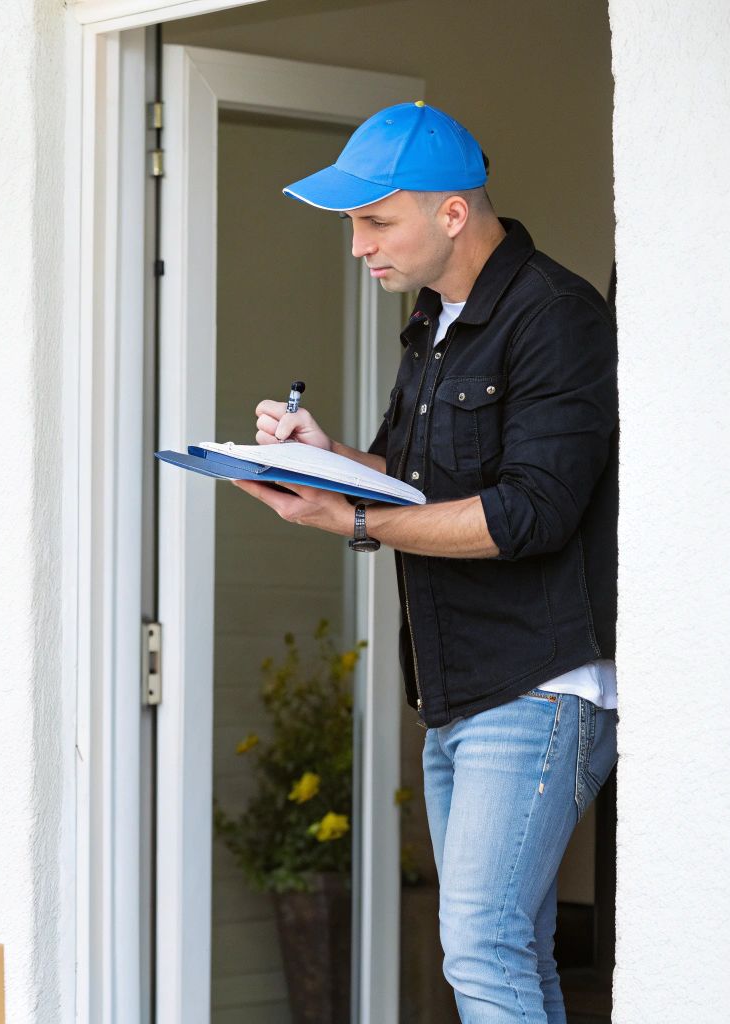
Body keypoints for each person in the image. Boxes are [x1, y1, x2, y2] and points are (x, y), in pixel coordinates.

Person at [236, 103, 618, 1023]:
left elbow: (530, 514)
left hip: (538, 685)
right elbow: (410, 484)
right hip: (455, 691)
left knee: (481, 949)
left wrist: (353, 524)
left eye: (376, 221)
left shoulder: (555, 316)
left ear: (452, 212)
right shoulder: (436, 322)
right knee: (505, 948)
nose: (358, 246)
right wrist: (327, 462)